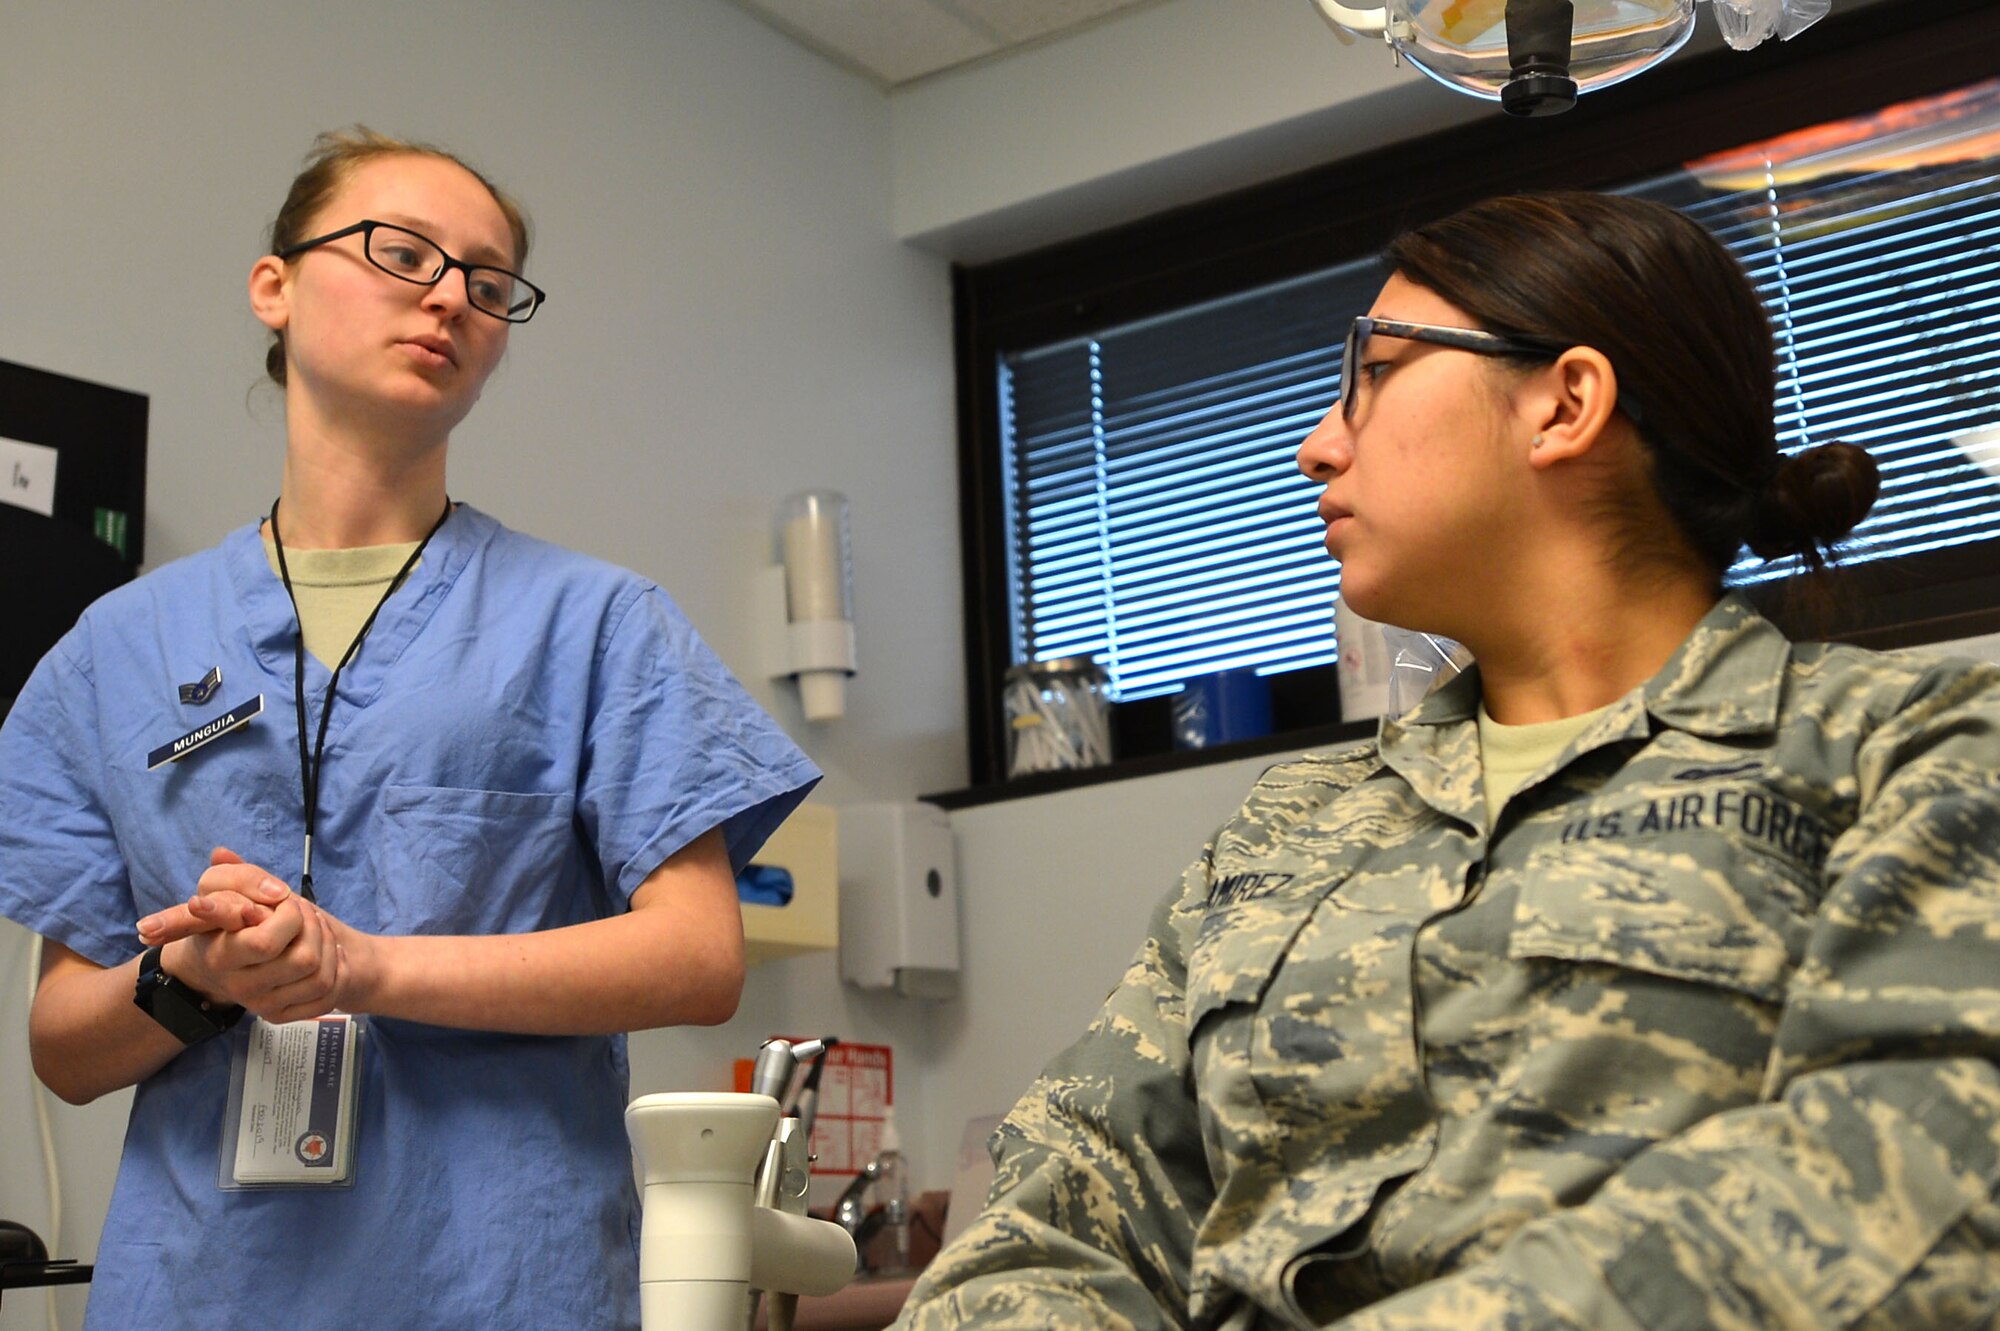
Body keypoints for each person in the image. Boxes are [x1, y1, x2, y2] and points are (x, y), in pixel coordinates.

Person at [895, 191, 2000, 1330]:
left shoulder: (1910, 748)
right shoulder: (1290, 825)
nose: (1316, 442)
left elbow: (1918, 1168)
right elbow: (1050, 1215)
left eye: (1370, 375)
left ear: (1562, 403)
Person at [0, 128, 818, 1329]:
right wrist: (200, 974)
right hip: (200, 1289)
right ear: (273, 285)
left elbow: (697, 957)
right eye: (401, 252)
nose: (449, 296)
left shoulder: (592, 624)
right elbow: (65, 1051)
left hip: (495, 1281)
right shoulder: (113, 652)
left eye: (489, 284)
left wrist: (365, 965)